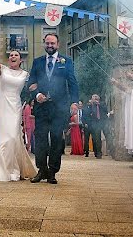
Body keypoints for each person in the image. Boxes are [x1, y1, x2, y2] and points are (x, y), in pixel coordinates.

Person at [25, 33, 79, 184]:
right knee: (41, 139)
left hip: (59, 108)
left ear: (58, 44)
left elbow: (73, 83)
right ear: (44, 44)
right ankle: (42, 170)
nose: (50, 46)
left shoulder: (66, 61)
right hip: (41, 108)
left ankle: (53, 172)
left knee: (56, 140)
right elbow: (30, 83)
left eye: (52, 43)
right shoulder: (37, 62)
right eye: (47, 43)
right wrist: (36, 95)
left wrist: (74, 102)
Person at [0, 45, 37, 181]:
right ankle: (3, 170)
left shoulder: (26, 75)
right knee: (2, 136)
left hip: (15, 105)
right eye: (11, 55)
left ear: (20, 60)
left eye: (16, 55)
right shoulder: (3, 69)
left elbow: (35, 84)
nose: (12, 57)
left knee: (13, 136)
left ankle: (14, 167)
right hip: (2, 104)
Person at [82, 94, 108, 159]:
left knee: (108, 137)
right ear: (92, 99)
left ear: (99, 98)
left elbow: (106, 111)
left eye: (96, 96)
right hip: (95, 124)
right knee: (97, 139)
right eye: (94, 97)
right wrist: (90, 105)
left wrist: (98, 104)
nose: (95, 98)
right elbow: (87, 114)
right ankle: (98, 153)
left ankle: (112, 152)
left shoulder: (102, 104)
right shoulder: (90, 106)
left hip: (103, 122)